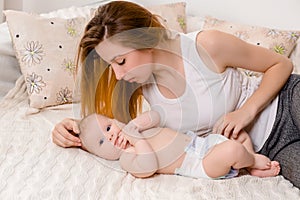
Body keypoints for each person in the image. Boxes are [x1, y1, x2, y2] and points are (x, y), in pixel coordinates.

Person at [52, 1, 300, 187]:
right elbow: (115, 131)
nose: (117, 75)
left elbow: (281, 65)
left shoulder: (206, 45)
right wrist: (74, 129)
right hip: (271, 147)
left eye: (121, 61)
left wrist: (246, 111)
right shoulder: (138, 83)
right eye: (112, 66)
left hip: (287, 100)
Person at [78, 110, 280, 179]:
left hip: (203, 143)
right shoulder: (127, 158)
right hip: (199, 163)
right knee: (233, 149)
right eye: (102, 142)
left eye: (108, 127)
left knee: (238, 134)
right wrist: (136, 140)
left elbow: (155, 115)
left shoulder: (135, 129)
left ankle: (248, 160)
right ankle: (252, 160)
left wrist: (134, 125)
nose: (110, 136)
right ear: (101, 155)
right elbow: (148, 167)